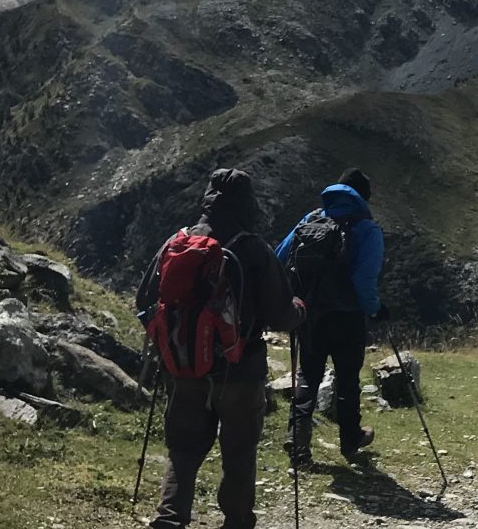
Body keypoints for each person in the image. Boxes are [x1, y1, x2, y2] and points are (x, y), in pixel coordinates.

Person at [135, 168, 306, 529]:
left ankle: (169, 517)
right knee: (239, 452)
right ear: (248, 203)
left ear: (207, 199)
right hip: (240, 371)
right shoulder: (253, 249)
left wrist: (175, 343)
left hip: (184, 367)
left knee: (183, 448)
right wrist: (299, 310)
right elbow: (280, 315)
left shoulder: (177, 242)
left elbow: (145, 301)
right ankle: (237, 521)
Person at [275, 168, 387, 464]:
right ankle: (350, 440)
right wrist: (374, 309)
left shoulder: (311, 220)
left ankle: (297, 441)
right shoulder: (366, 228)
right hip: (347, 318)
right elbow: (364, 279)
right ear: (363, 198)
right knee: (347, 378)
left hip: (309, 314)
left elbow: (280, 255)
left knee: (308, 376)